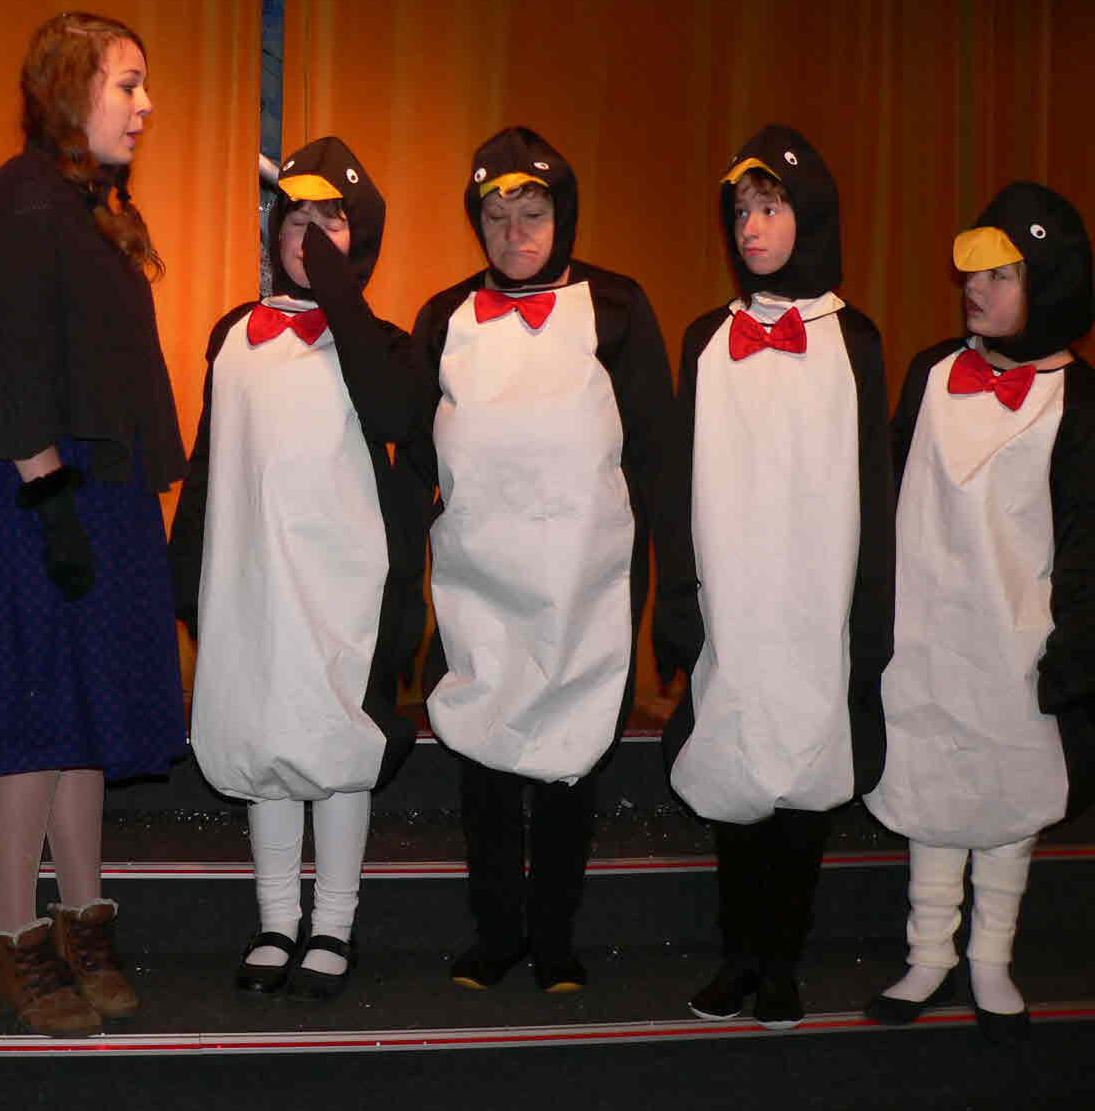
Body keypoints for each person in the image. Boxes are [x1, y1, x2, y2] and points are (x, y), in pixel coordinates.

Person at [0, 11, 187, 1037]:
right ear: (69, 90)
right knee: (32, 724)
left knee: (83, 719)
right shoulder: (24, 199)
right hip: (33, 493)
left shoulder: (88, 204)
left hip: (90, 491)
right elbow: (6, 360)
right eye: (127, 83)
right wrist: (51, 504)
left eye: (143, 84)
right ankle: (12, 940)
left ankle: (83, 922)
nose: (145, 105)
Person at [409, 126, 674, 993]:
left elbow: (654, 452)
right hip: (480, 577)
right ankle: (496, 934)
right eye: (497, 216)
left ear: (564, 216)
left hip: (583, 580)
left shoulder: (618, 306)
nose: (515, 232)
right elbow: (414, 453)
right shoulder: (444, 316)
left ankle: (555, 937)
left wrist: (665, 590)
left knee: (569, 756)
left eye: (533, 213)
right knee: (484, 763)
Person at [654, 125, 895, 1029]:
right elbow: (678, 480)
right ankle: (738, 957)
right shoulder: (705, 339)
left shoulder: (854, 340)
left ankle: (783, 959)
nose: (751, 228)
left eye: (771, 209)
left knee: (804, 769)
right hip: (734, 592)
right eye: (742, 212)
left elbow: (874, 484)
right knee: (737, 768)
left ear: (812, 217)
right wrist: (679, 599)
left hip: (817, 595)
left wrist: (871, 616)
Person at [169, 137, 421, 1001]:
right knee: (265, 735)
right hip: (254, 578)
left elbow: (393, 414)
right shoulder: (233, 335)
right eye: (295, 218)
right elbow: (211, 457)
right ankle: (277, 917)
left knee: (337, 742)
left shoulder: (383, 342)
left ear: (362, 238)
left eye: (331, 221)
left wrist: (340, 295)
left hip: (344, 582)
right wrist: (186, 567)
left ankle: (335, 923)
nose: (308, 236)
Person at [863, 182, 1095, 1044]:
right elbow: (889, 488)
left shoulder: (1080, 401)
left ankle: (991, 956)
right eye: (974, 272)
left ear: (1050, 286)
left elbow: (1086, 540)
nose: (977, 288)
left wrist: (1072, 652)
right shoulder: (931, 372)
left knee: (1006, 797)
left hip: (1017, 639)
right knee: (932, 786)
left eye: (1002, 275)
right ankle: (927, 952)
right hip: (926, 632)